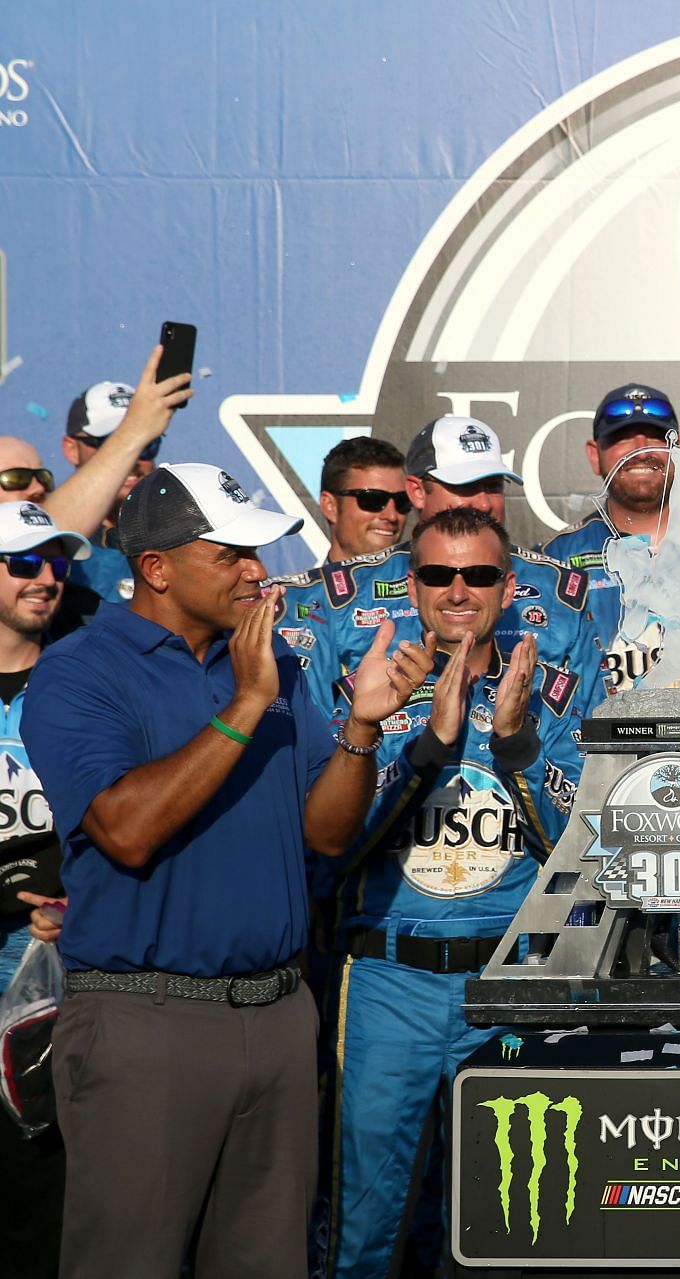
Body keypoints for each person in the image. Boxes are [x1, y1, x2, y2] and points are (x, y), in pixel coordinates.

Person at [19, 463, 429, 1279]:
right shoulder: (80, 668)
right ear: (157, 568)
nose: (257, 569)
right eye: (231, 552)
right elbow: (125, 830)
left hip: (277, 1016)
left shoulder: (273, 658)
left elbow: (327, 830)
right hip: (147, 1022)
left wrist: (359, 727)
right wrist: (245, 704)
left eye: (258, 550)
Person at [323, 506, 597, 1278]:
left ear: (508, 588)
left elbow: (582, 849)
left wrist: (515, 747)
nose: (457, 591)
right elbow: (333, 846)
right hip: (389, 978)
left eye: (477, 575)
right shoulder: (371, 686)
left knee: (514, 1225)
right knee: (364, 1226)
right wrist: (420, 749)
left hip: (508, 982)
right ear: (412, 587)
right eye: (438, 574)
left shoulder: (551, 690)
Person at [273, 415, 601, 710]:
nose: (485, 503)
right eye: (467, 486)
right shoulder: (341, 593)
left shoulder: (561, 589)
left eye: (494, 487)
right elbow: (311, 728)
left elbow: (592, 721)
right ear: (416, 491)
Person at [0, 501, 95, 1279]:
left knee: (51, 1188)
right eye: (24, 562)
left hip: (64, 970)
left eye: (57, 561)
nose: (46, 577)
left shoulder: (87, 676)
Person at [541, 384, 680, 694]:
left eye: (655, 436)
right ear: (595, 455)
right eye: (621, 438)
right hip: (609, 741)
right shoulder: (556, 561)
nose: (640, 449)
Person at [58, 348, 188, 605]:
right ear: (71, 449)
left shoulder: (183, 537)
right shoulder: (45, 538)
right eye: (113, 443)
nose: (131, 458)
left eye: (146, 443)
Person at [315, 437, 409, 563]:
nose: (392, 516)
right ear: (330, 506)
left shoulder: (430, 581)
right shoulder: (291, 582)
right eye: (373, 499)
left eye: (402, 501)